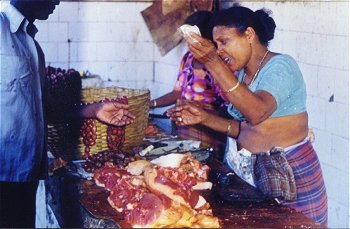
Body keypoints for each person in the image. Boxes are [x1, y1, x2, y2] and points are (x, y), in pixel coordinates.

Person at [167, 6, 327, 226]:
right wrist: (203, 117)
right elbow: (245, 129)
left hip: (291, 177)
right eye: (216, 44)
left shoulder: (281, 66)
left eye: (224, 42)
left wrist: (212, 62)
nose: (220, 50)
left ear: (249, 35)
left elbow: (257, 113)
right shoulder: (241, 74)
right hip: (253, 177)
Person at [0, 1, 135, 227]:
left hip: (25, 175)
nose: (57, 1)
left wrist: (94, 110)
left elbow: (46, 109)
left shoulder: (32, 47)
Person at [150, 11, 227, 155]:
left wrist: (198, 111)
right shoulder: (188, 58)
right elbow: (178, 92)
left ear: (206, 38)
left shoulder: (218, 63)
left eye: (191, 38)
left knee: (203, 164)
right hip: (182, 128)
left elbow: (228, 108)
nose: (187, 42)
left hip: (209, 133)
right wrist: (151, 104)